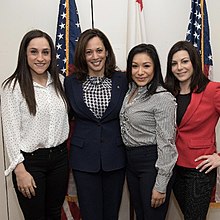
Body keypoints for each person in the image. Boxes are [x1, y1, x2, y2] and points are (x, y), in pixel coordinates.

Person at [1, 29, 69, 219]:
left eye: (45, 52)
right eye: (34, 52)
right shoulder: (13, 87)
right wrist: (19, 170)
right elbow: (11, 132)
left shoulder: (61, 82)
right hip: (30, 164)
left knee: (54, 214)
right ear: (25, 54)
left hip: (60, 159)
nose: (40, 58)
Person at [64, 28, 128, 220]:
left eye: (99, 50)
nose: (95, 56)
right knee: (90, 214)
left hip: (115, 157)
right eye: (89, 52)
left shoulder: (123, 80)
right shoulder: (70, 83)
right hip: (84, 159)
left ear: (107, 51)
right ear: (82, 55)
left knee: (111, 214)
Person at [120, 43, 178, 220]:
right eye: (135, 66)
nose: (140, 72)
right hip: (132, 163)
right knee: (140, 214)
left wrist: (161, 185)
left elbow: (167, 144)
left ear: (155, 68)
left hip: (152, 163)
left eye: (146, 66)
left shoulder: (163, 98)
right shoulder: (131, 91)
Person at [165, 40, 220, 220]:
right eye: (174, 63)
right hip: (174, 168)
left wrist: (219, 157)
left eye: (185, 61)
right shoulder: (168, 92)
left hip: (200, 170)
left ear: (194, 62)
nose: (179, 67)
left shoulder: (212, 90)